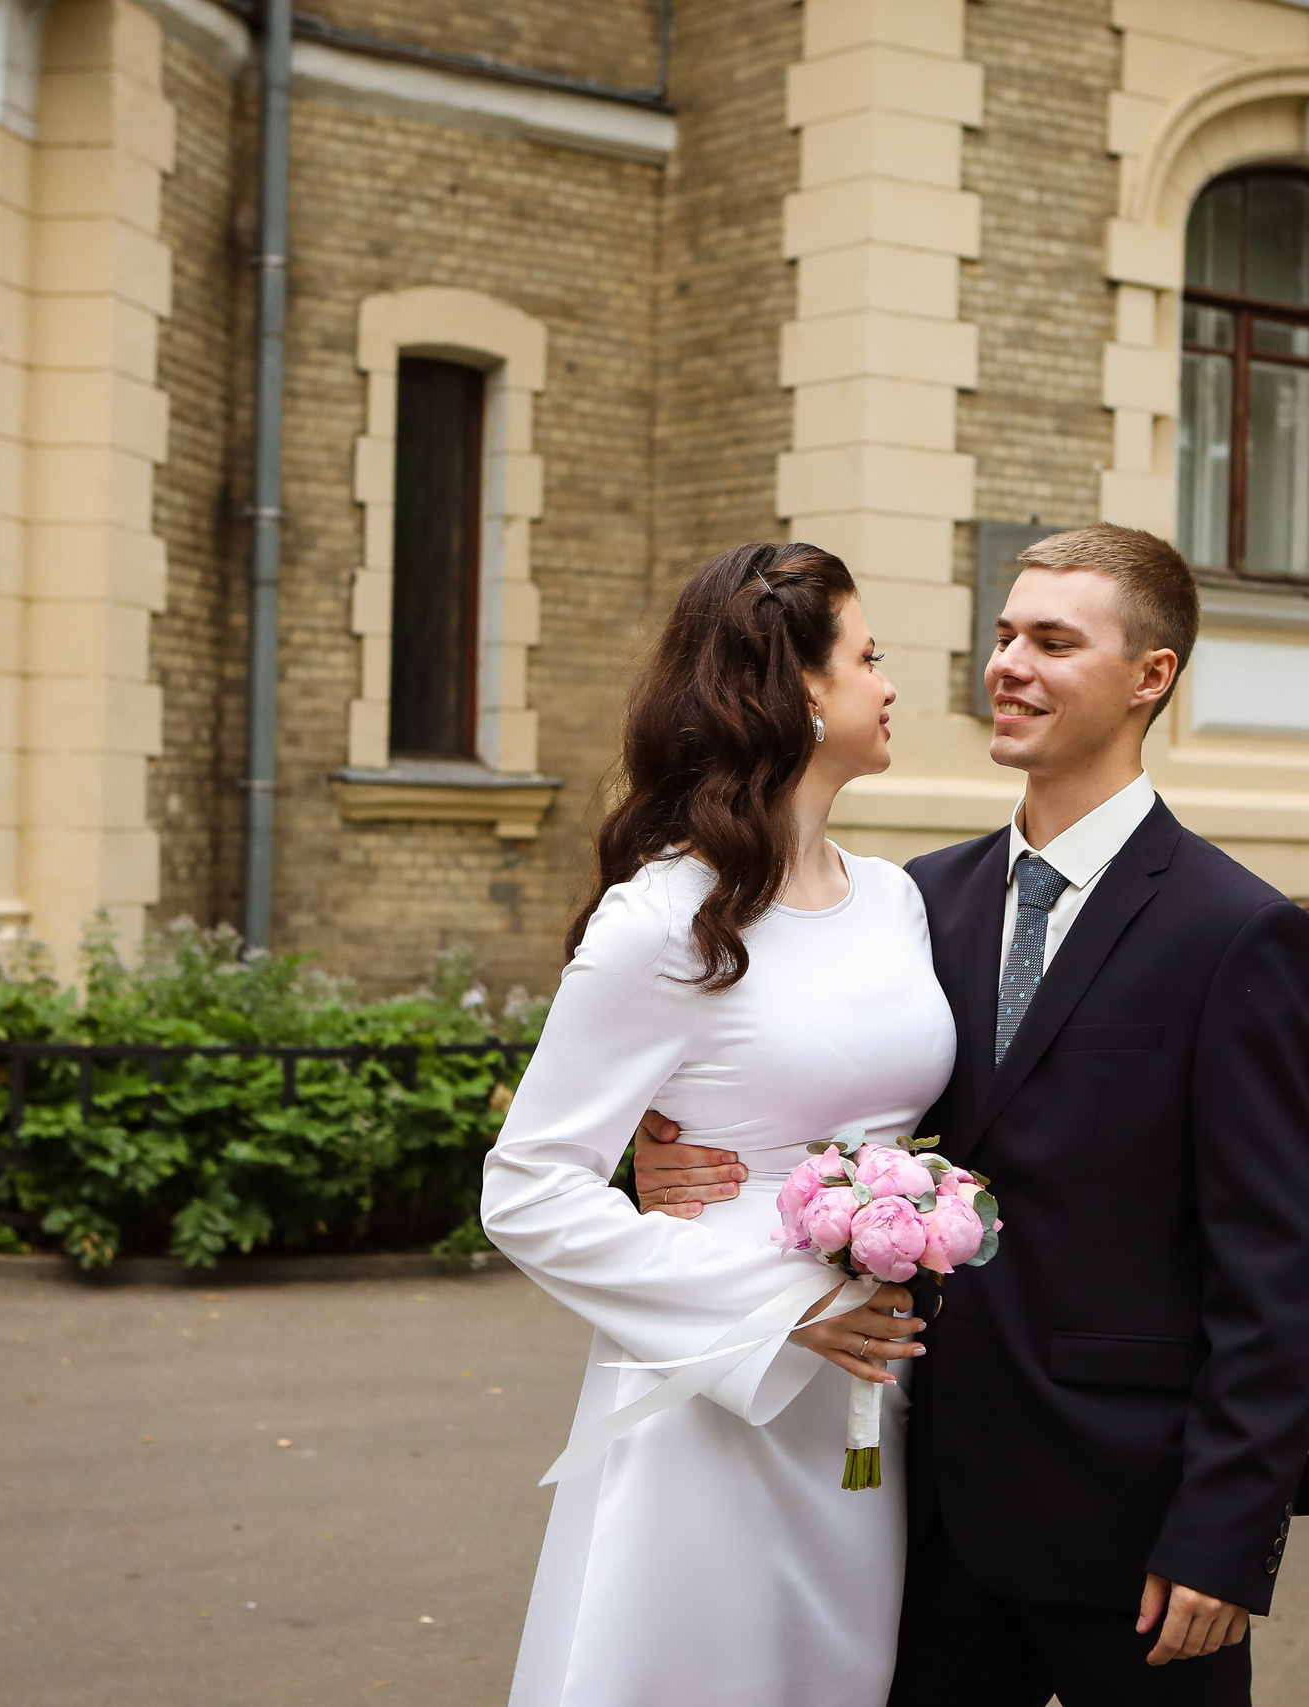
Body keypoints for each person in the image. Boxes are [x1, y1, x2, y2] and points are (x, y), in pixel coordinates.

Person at [633, 524, 1309, 1706]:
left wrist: (1225, 1531)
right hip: (916, 1505)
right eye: (1004, 633)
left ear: (1149, 676)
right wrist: (671, 1173)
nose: (1007, 662)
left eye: (1053, 641)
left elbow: (1279, 1265)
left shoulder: (1236, 932)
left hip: (1134, 1530)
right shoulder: (915, 900)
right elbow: (822, 1099)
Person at [479, 542, 954, 1707]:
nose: (890, 685)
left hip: (876, 1388)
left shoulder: (895, 900)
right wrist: (774, 1310)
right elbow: (528, 1189)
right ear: (798, 689)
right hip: (719, 1383)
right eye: (868, 657)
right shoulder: (665, 920)